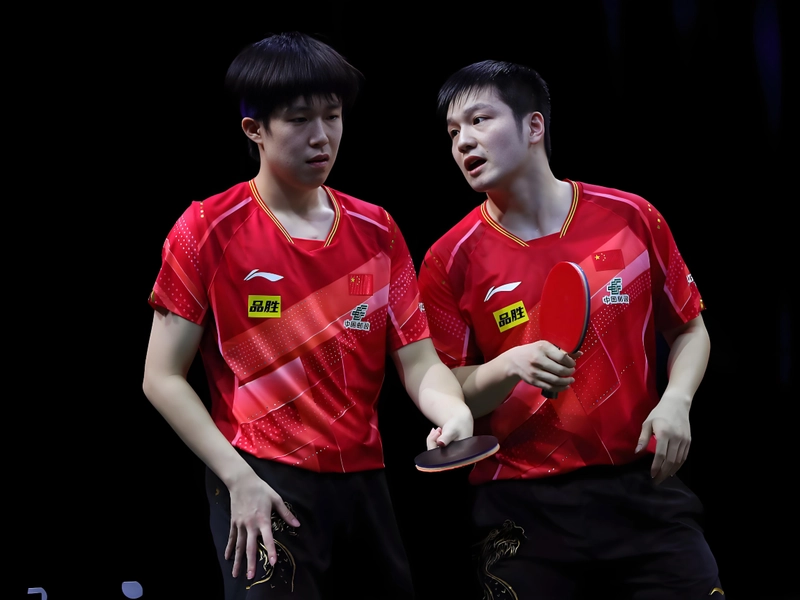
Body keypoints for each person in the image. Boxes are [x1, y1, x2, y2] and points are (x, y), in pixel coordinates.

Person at [142, 31, 473, 600]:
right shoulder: (207, 229)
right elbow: (161, 376)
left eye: (333, 116)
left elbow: (419, 361)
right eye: (299, 120)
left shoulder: (377, 230)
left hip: (364, 479)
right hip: (260, 474)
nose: (322, 136)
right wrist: (237, 478)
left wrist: (453, 411)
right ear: (254, 129)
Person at [418, 59, 723, 599]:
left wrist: (677, 399)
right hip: (522, 509)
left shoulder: (631, 217)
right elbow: (447, 387)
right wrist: (507, 366)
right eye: (452, 131)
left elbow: (689, 329)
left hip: (642, 488)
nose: (463, 141)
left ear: (533, 126)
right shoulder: (450, 259)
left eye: (480, 120)